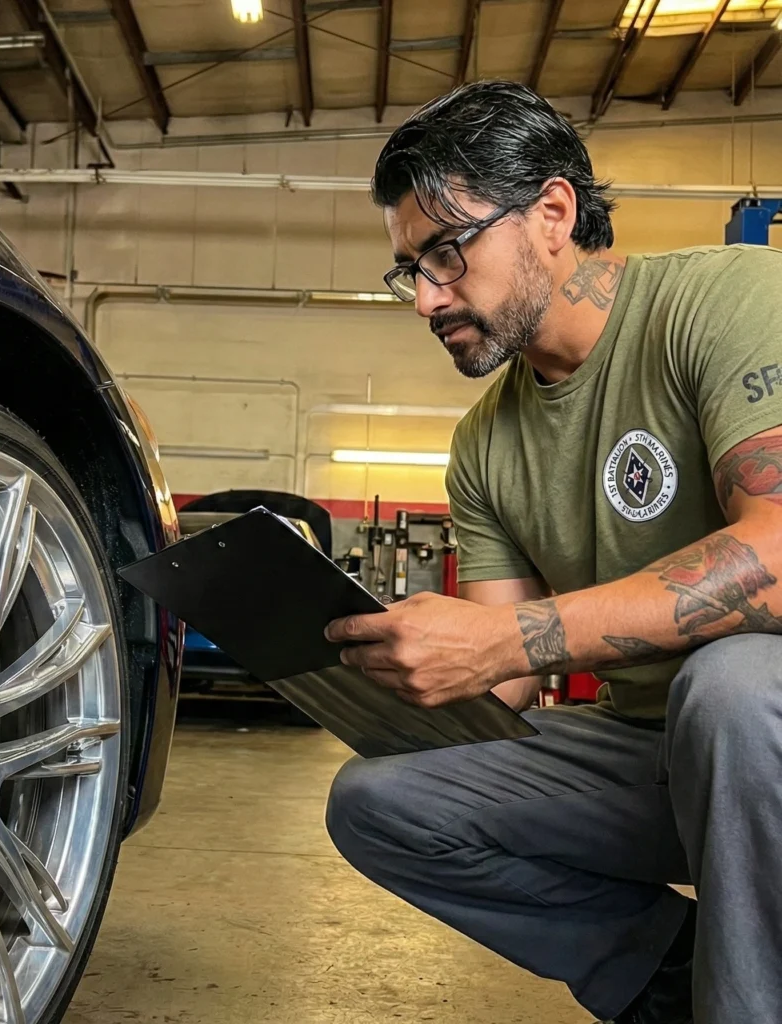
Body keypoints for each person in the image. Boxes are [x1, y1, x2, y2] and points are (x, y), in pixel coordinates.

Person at [323, 80, 782, 1024]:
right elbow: (502, 677)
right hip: (654, 755)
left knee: (730, 686)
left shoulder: (728, 300)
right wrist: (382, 672)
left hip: (758, 732)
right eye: (409, 270)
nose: (427, 298)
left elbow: (778, 553)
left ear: (552, 213)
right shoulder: (484, 445)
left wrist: (508, 641)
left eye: (446, 252)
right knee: (379, 799)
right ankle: (670, 977)